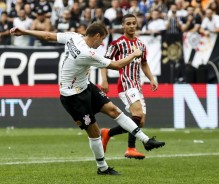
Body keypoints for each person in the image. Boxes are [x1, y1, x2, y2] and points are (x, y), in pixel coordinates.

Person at [10, 22, 165, 175]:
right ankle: (102, 168)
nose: (102, 43)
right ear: (97, 36)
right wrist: (134, 54)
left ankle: (146, 141)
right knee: (94, 132)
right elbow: (117, 65)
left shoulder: (74, 37)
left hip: (86, 86)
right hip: (73, 97)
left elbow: (48, 35)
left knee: (113, 110)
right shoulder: (87, 53)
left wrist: (24, 31)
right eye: (102, 39)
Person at [100, 14, 158, 160]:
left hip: (137, 85)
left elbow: (144, 63)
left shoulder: (141, 44)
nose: (132, 26)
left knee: (140, 121)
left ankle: (108, 133)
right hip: (125, 83)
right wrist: (104, 80)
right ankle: (131, 149)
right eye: (129, 23)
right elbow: (104, 61)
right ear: (123, 26)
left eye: (134, 23)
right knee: (137, 114)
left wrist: (151, 79)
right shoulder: (117, 44)